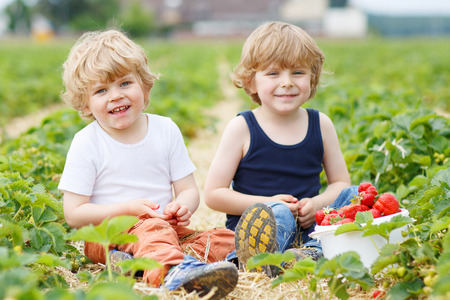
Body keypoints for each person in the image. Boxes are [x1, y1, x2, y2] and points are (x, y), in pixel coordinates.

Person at [58, 29, 238, 299]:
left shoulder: (165, 129)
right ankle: (175, 272)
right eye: (101, 90)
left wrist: (182, 207)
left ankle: (142, 266)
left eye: (124, 83)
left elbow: (188, 189)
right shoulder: (87, 143)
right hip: (107, 236)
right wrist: (130, 210)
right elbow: (74, 213)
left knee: (222, 237)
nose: (116, 96)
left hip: (167, 229)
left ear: (144, 84)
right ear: (85, 103)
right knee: (153, 231)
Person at [204, 21, 357, 276]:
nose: (286, 82)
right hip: (259, 228)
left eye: (297, 72)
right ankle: (252, 258)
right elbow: (214, 194)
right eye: (273, 74)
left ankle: (308, 253)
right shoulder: (242, 127)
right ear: (252, 82)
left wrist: (317, 204)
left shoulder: (321, 124)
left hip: (309, 226)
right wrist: (269, 204)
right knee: (277, 214)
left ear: (312, 78)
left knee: (353, 194)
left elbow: (340, 182)